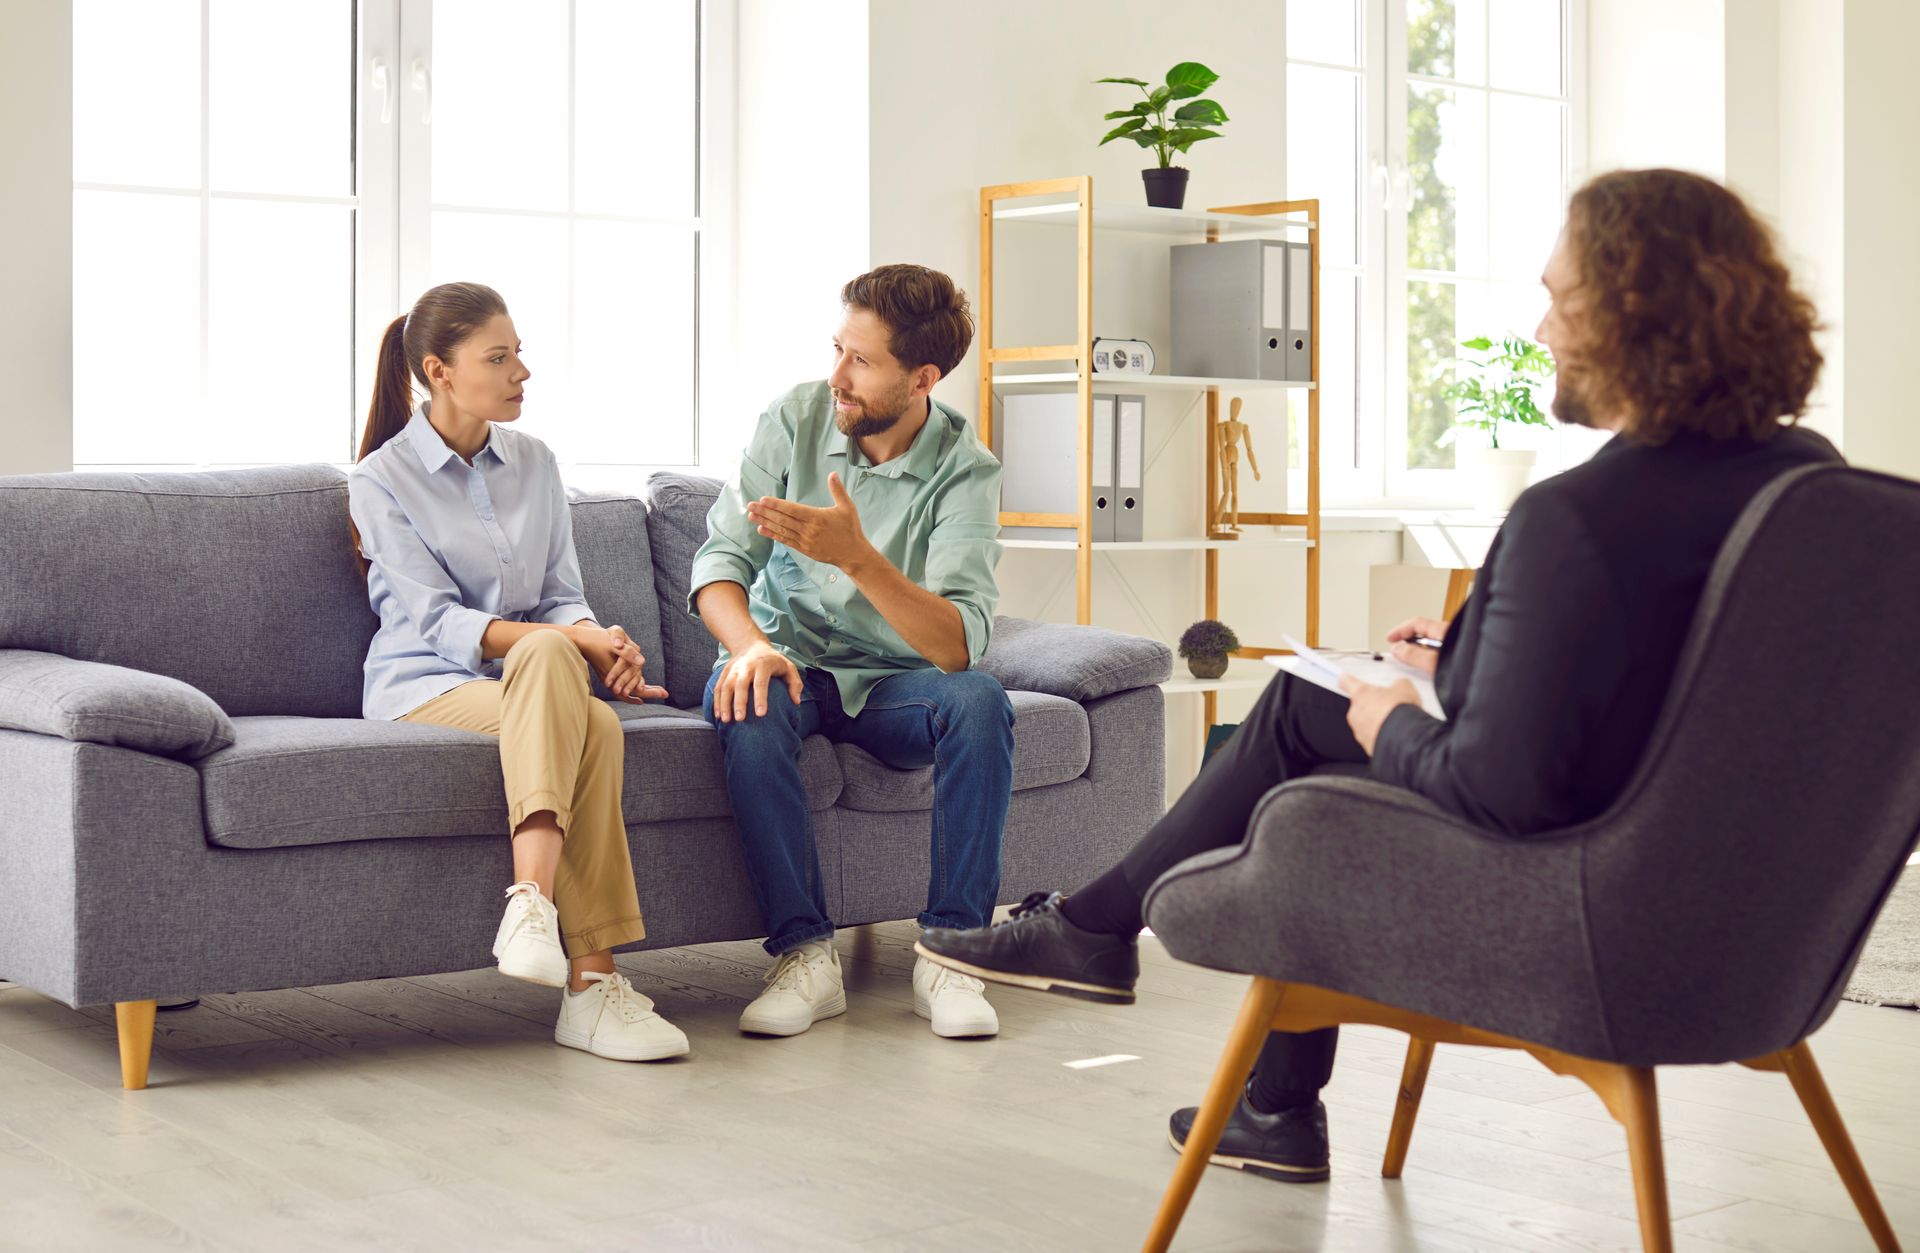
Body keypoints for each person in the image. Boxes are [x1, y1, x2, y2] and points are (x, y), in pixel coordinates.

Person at [918, 168, 1838, 1180]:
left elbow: (1499, 789)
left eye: (1558, 299)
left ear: (1635, 312)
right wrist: (1476, 653)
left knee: (1311, 780)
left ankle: (1116, 949)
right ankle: (1195, 1029)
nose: (1540, 332)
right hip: (1757, 911)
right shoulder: (1814, 488)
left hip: (1583, 912)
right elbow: (1689, 674)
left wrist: (1393, 714)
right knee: (1310, 699)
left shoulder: (1579, 517)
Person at [348, 282, 688, 1063]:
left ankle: (561, 949)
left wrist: (599, 638)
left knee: (595, 714)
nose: (521, 372)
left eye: (519, 353)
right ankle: (570, 955)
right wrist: (562, 644)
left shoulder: (534, 462)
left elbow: (564, 595)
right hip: (422, 687)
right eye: (498, 357)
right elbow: (435, 622)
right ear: (439, 370)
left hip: (528, 684)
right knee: (551, 663)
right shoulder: (380, 478)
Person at [690, 264, 1013, 1040]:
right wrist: (750, 649)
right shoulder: (795, 420)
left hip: (892, 682)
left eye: (862, 361)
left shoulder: (965, 472)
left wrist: (859, 558)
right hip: (786, 661)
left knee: (981, 703)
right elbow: (719, 565)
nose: (837, 375)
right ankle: (804, 955)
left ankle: (952, 954)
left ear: (922, 377)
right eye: (838, 349)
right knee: (753, 697)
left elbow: (958, 644)